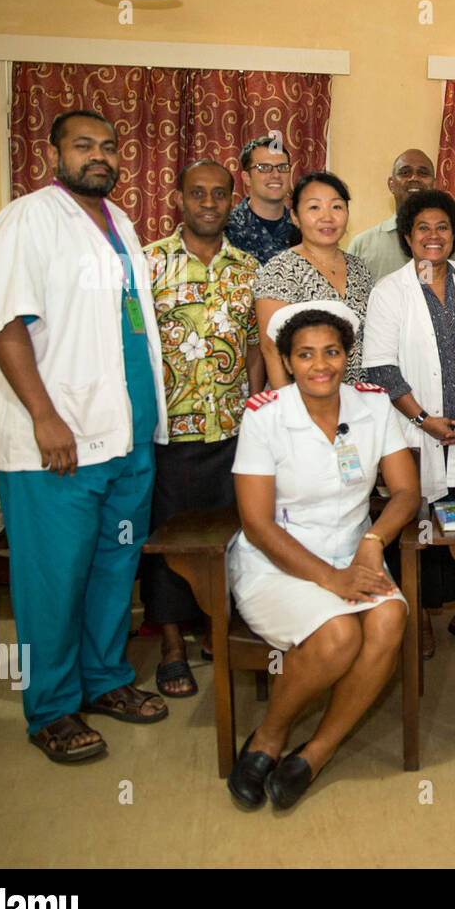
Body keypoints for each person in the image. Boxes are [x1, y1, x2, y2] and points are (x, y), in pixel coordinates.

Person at [0, 109, 170, 762]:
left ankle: (105, 678)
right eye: (83, 145)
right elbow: (6, 323)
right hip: (58, 445)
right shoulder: (29, 219)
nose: (99, 156)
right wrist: (43, 416)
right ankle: (52, 709)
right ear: (53, 152)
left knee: (114, 568)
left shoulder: (119, 223)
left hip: (127, 438)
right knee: (53, 579)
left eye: (109, 146)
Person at [226, 301, 419, 810]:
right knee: (339, 635)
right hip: (276, 563)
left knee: (389, 619)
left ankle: (317, 751)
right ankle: (269, 737)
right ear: (287, 362)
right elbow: (256, 523)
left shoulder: (374, 407)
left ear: (346, 356)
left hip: (354, 554)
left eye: (331, 352)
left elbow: (404, 493)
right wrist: (330, 580)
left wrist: (373, 542)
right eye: (306, 354)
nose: (320, 365)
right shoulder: (265, 417)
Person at [362, 189, 455, 656]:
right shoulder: (390, 291)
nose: (433, 236)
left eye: (442, 227)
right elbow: (382, 369)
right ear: (407, 237)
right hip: (413, 431)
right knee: (414, 523)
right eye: (422, 228)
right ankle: (419, 617)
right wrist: (425, 420)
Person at [142, 159, 264, 697]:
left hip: (236, 430)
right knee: (171, 542)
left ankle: (222, 631)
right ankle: (171, 647)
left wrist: (259, 413)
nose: (209, 203)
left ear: (231, 200)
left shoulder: (249, 268)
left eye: (219, 194)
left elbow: (256, 347)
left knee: (237, 539)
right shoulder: (148, 265)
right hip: (172, 434)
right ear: (179, 199)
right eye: (198, 194)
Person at [254, 171, 373, 388]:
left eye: (336, 206)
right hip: (305, 399)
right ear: (295, 217)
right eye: (314, 207)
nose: (327, 217)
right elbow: (271, 349)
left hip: (357, 400)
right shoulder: (281, 270)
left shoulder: (359, 268)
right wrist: (291, 409)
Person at [345, 149, 455, 280]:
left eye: (423, 173)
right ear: (391, 184)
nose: (414, 178)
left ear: (434, 184)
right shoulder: (363, 246)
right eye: (405, 173)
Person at [226, 136, 300, 264]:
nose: (276, 175)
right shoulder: (227, 230)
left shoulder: (303, 229)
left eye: (282, 167)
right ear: (246, 177)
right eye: (264, 168)